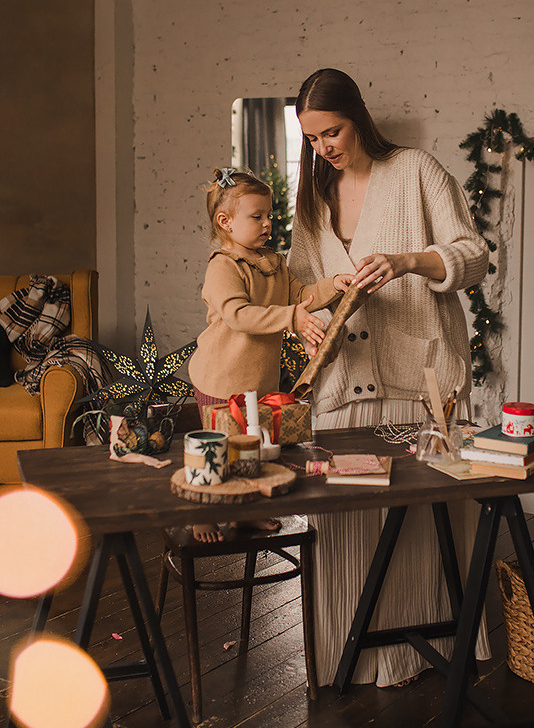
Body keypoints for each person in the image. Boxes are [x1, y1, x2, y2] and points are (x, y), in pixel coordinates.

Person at [288, 68, 491, 686]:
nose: (325, 147)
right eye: (313, 138)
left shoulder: (414, 171)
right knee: (343, 524)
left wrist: (406, 262)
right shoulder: (313, 198)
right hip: (343, 379)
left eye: (333, 131)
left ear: (359, 116)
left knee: (426, 529)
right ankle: (349, 661)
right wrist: (302, 321)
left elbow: (475, 254)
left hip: (418, 377)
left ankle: (430, 648)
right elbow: (300, 285)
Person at [188, 168, 352, 542]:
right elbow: (239, 315)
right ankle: (203, 512)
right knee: (217, 450)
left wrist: (333, 285)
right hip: (220, 376)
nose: (267, 224)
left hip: (256, 382)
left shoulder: (274, 263)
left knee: (251, 450)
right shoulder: (223, 266)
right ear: (225, 222)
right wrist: (292, 318)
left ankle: (245, 514)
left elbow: (300, 296)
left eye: (270, 215)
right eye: (256, 216)